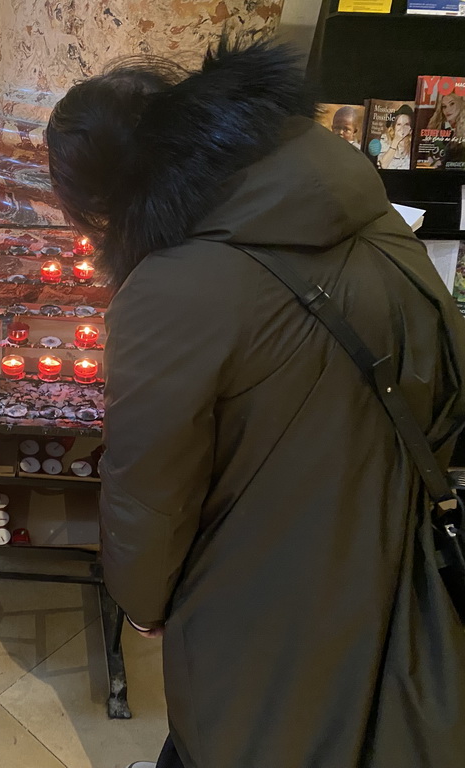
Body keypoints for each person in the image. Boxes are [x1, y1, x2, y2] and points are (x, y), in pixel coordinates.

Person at [46, 40, 465, 768]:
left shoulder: (172, 291)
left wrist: (142, 600)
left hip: (260, 591)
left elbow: (149, 487)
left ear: (105, 200)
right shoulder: (358, 198)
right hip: (392, 543)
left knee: (256, 732)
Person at [378, 104, 413, 169]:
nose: (402, 128)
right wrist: (396, 140)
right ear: (394, 127)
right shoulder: (385, 140)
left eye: (406, 124)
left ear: (410, 129)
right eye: (399, 124)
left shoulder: (413, 143)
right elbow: (383, 165)